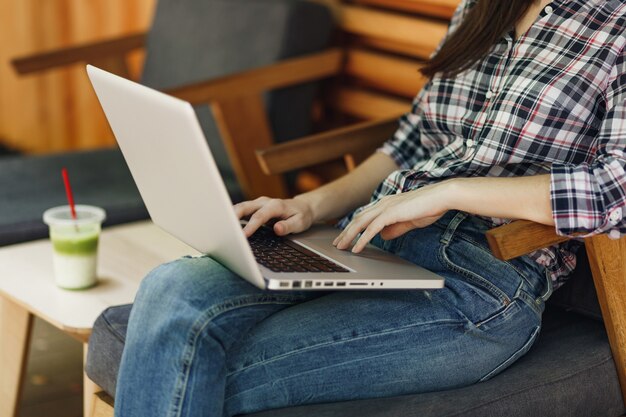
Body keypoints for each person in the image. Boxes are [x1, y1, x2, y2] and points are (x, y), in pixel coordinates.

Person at [114, 0, 626, 416]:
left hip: (479, 284)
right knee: (170, 286)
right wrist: (310, 205)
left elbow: (614, 188)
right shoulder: (482, 7)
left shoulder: (616, 25)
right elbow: (410, 142)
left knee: (184, 367)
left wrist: (450, 192)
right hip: (370, 241)